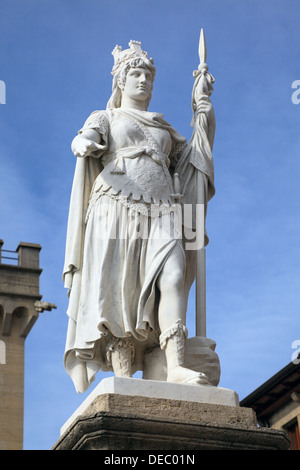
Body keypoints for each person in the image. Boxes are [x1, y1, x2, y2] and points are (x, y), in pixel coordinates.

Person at [63, 40, 215, 393]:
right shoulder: (106, 117)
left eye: (148, 74)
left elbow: (193, 162)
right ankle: (122, 376)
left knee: (174, 275)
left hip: (163, 208)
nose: (143, 80)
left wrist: (203, 114)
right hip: (115, 206)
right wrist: (83, 144)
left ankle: (176, 365)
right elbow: (86, 137)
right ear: (120, 80)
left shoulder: (163, 129)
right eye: (135, 73)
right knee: (119, 291)